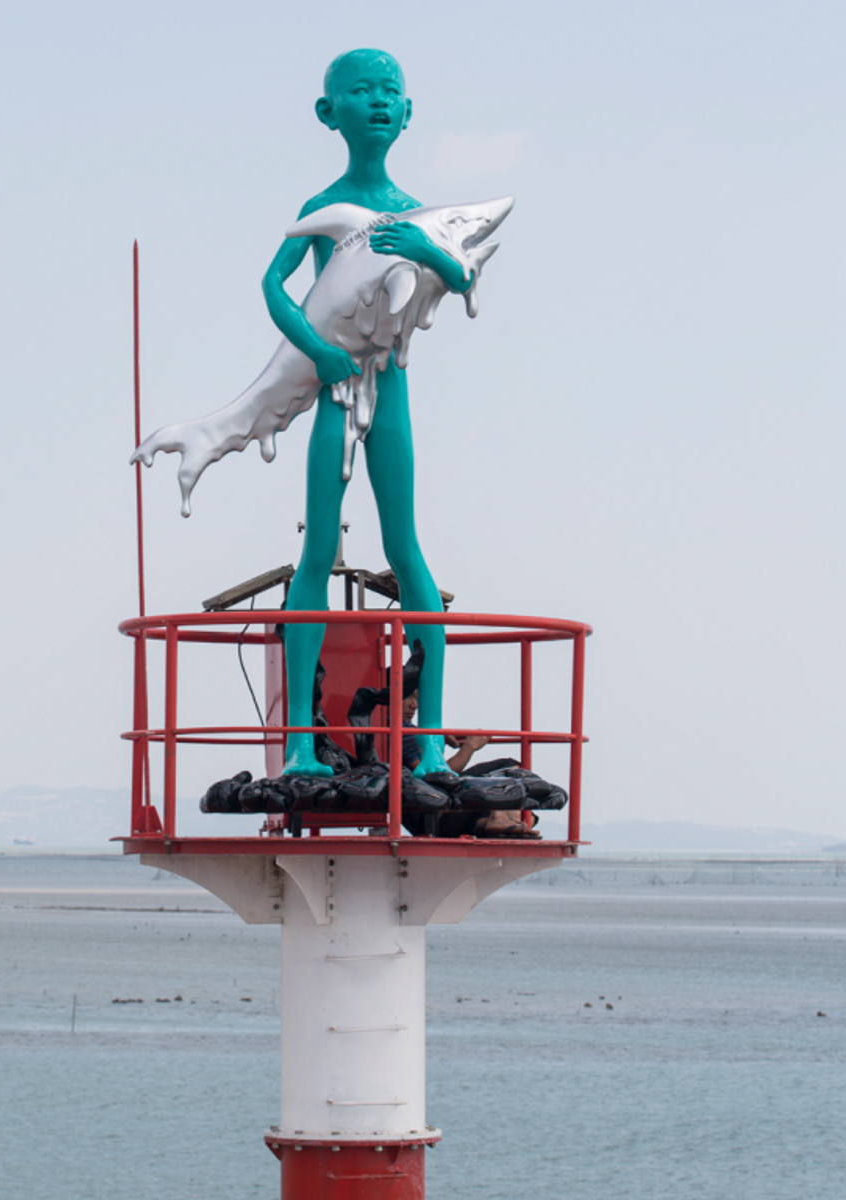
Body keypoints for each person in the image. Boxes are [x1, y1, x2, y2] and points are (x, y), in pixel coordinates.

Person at [264, 49, 476, 779]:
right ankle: (299, 741)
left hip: (392, 390)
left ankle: (426, 741)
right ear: (330, 112)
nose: (379, 101)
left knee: (406, 547)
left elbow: (461, 277)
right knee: (317, 550)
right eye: (361, 90)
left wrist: (426, 248)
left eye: (391, 90)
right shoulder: (321, 210)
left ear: (409, 112)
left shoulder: (416, 210)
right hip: (335, 388)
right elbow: (272, 284)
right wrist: (316, 351)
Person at [401, 693, 540, 839]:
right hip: (432, 815)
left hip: (424, 815)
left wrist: (437, 736)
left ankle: (496, 821)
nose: (414, 705)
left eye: (417, 698)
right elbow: (432, 778)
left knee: (529, 816)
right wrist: (469, 747)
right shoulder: (402, 732)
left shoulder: (401, 730)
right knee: (508, 767)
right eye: (408, 696)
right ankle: (498, 819)